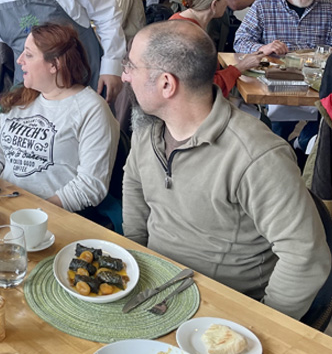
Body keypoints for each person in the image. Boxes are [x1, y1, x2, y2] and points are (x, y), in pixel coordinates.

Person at [121, 20, 331, 320]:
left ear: (166, 84)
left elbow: (306, 256)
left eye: (131, 66)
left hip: (220, 311)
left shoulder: (256, 155)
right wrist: (136, 260)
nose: (125, 76)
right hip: (155, 290)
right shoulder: (149, 129)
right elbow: (134, 185)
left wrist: (263, 325)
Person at [0, 23, 119, 212]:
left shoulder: (91, 109)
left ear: (55, 64)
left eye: (28, 55)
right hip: (1, 205)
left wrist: (33, 212)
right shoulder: (20, 98)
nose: (20, 60)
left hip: (50, 216)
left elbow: (90, 185)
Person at [170, 0, 264, 96]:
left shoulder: (177, 20)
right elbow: (206, 88)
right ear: (214, 4)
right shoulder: (193, 37)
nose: (227, 3)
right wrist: (241, 67)